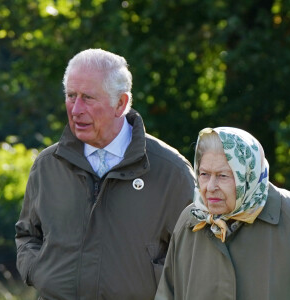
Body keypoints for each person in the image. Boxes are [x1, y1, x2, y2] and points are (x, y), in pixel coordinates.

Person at [15, 48, 195, 300]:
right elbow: (27, 234)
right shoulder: (47, 165)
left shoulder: (171, 171)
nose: (76, 109)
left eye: (88, 97)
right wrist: (38, 272)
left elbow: (194, 254)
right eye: (70, 95)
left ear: (120, 103)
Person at [155, 127, 290, 300]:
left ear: (248, 175)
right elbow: (168, 293)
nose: (210, 187)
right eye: (204, 174)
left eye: (223, 176)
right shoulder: (191, 219)